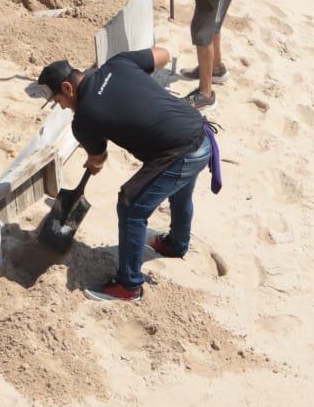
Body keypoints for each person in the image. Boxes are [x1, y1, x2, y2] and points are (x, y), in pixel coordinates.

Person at [38, 52, 219, 303]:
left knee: (130, 205)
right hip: (197, 132)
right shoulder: (118, 63)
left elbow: (98, 158)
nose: (62, 107)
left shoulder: (84, 119)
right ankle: (176, 244)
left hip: (179, 153)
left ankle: (129, 286)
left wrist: (92, 162)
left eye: (58, 100)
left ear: (68, 88)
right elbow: (163, 55)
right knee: (179, 188)